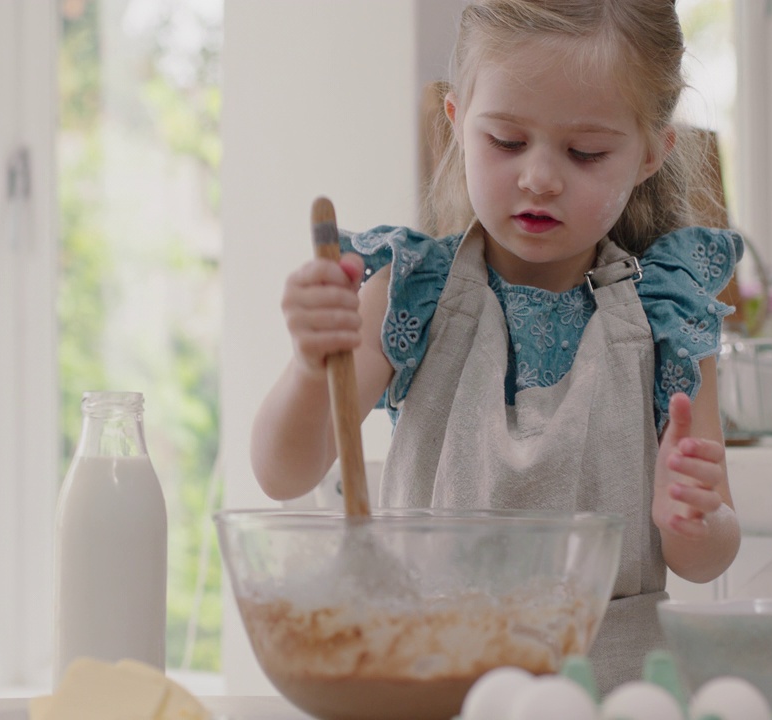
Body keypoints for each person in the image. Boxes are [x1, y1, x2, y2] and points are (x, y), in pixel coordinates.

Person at [250, 0, 741, 691]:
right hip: (432, 689)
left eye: (585, 152)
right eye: (507, 141)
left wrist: (693, 515)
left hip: (609, 695)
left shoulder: (672, 320)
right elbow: (282, 471)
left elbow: (706, 556)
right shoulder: (406, 294)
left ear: (651, 153)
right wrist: (309, 365)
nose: (539, 175)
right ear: (457, 123)